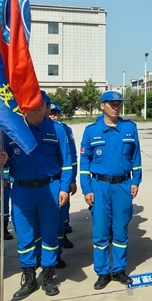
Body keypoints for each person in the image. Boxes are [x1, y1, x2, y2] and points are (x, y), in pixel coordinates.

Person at [0, 91, 72, 298]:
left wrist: (64, 188)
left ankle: (48, 277)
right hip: (21, 190)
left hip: (49, 188)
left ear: (46, 107)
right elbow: (6, 161)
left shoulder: (57, 130)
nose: (37, 108)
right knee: (25, 237)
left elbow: (66, 162)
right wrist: (4, 163)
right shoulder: (12, 130)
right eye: (32, 104)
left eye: (41, 104)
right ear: (24, 107)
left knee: (49, 234)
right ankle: (29, 278)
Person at [80, 90, 141, 290]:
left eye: (118, 103)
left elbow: (136, 157)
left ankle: (119, 269)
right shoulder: (91, 131)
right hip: (99, 186)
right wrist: (86, 188)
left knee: (121, 229)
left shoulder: (129, 128)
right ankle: (103, 272)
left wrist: (136, 181)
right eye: (111, 103)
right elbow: (84, 162)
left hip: (123, 186)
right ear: (102, 106)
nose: (115, 107)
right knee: (100, 231)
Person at [49, 103, 77, 262]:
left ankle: (62, 236)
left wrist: (72, 179)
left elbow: (71, 156)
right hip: (47, 180)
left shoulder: (64, 129)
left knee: (62, 211)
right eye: (51, 113)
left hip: (62, 179)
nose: (53, 116)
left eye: (56, 113)